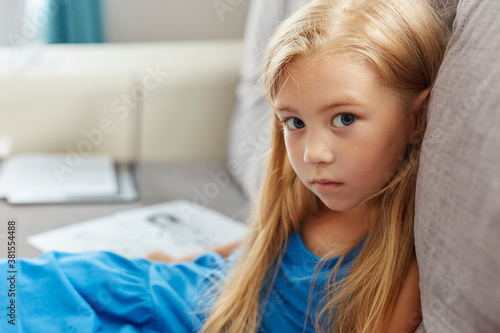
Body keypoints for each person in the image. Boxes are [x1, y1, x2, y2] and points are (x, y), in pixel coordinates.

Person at [0, 0, 449, 332]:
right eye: (294, 122)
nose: (312, 152)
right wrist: (171, 259)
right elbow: (253, 256)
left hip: (191, 320)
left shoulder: (401, 254)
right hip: (169, 293)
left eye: (344, 119)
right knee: (23, 286)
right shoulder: (303, 201)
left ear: (417, 117)